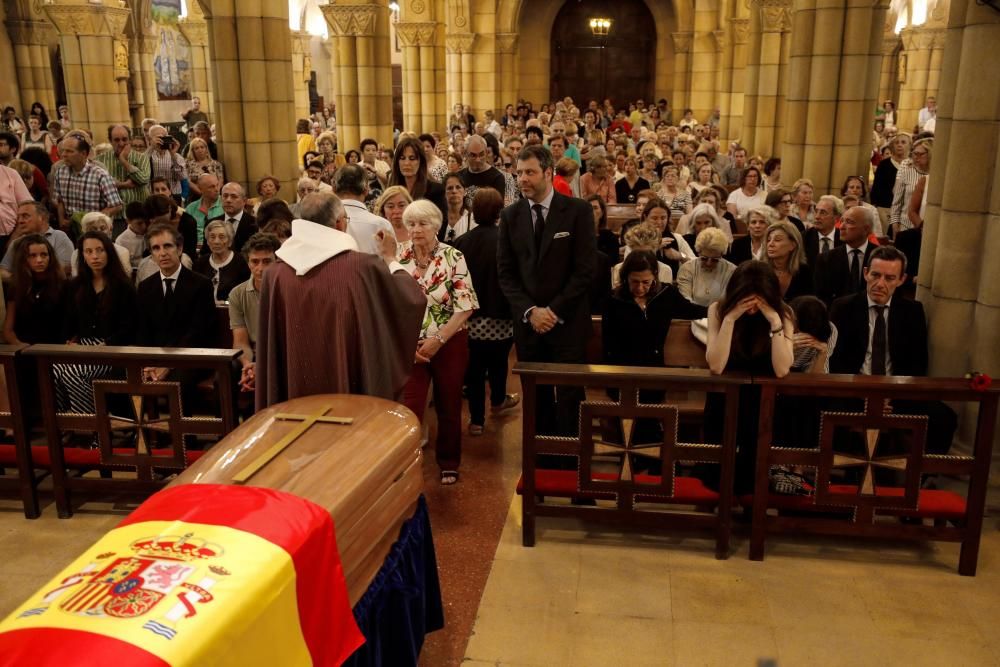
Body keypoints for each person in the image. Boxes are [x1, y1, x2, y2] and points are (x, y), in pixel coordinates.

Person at [255, 192, 426, 408]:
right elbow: (411, 300)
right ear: (339, 223)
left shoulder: (275, 274)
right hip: (352, 399)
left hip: (294, 394)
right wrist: (390, 258)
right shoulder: (362, 267)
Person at [497, 144, 596, 439]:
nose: (522, 179)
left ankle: (571, 461)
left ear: (549, 173)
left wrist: (552, 312)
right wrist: (531, 312)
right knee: (536, 398)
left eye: (530, 172)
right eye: (519, 173)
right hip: (529, 327)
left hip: (568, 323)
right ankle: (539, 463)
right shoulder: (511, 216)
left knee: (569, 397)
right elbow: (506, 273)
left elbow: (585, 270)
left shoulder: (578, 211)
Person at [829, 245, 956, 457]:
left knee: (945, 417)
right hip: (853, 393)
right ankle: (834, 468)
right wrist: (865, 398)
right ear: (865, 273)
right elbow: (835, 363)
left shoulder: (912, 312)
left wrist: (891, 398)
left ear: (901, 280)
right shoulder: (843, 307)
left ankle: (923, 477)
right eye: (876, 275)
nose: (880, 284)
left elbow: (918, 365)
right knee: (817, 408)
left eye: (889, 278)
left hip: (897, 395)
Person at [397, 200, 479, 484]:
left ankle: (448, 462)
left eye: (423, 223)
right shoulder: (399, 257)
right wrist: (408, 344)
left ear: (436, 226)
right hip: (410, 346)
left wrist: (438, 339)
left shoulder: (453, 257)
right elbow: (390, 306)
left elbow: (465, 306)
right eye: (411, 224)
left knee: (448, 402)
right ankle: (405, 465)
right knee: (410, 407)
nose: (416, 230)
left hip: (449, 341)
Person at [704, 261, 794, 492]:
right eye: (746, 296)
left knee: (755, 467)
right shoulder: (718, 310)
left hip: (764, 400)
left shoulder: (783, 314)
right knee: (719, 472)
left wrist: (775, 322)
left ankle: (753, 503)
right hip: (726, 397)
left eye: (760, 297)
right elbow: (716, 365)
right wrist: (730, 319)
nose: (753, 304)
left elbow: (782, 369)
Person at [453, 188, 518, 436]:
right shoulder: (507, 239)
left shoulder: (461, 242)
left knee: (475, 370)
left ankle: (476, 420)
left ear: (472, 211)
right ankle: (499, 401)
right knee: (499, 363)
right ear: (500, 211)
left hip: (470, 317)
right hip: (501, 316)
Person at [55, 231, 137, 413]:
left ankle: (94, 430)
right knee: (54, 370)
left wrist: (106, 343)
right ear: (82, 255)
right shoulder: (74, 285)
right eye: (89, 251)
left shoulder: (123, 287)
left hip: (112, 349)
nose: (94, 256)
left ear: (109, 252)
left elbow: (130, 326)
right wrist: (70, 341)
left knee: (73, 374)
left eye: (100, 250)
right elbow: (67, 321)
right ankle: (67, 424)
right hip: (82, 345)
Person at [228, 232, 281, 394]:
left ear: (277, 261)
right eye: (255, 261)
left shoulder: (286, 290)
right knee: (225, 374)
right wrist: (248, 366)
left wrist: (262, 366)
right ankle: (230, 420)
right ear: (248, 263)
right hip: (252, 354)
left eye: (267, 261)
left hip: (278, 355)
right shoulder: (237, 294)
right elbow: (240, 342)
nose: (261, 268)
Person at [51, 134, 123, 233]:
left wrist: (95, 220)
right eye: (63, 150)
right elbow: (60, 200)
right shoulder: (60, 172)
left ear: (84, 154)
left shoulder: (100, 175)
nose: (64, 155)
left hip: (95, 230)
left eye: (69, 151)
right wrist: (61, 219)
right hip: (71, 229)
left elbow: (117, 205)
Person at [2, 234, 65, 344]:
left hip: (55, 349)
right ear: (24, 259)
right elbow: (8, 331)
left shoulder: (62, 285)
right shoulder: (16, 286)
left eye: (44, 255)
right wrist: (22, 347)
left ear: (50, 257)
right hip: (24, 349)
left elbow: (70, 325)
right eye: (32, 255)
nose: (39, 260)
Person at [815, 203, 877, 305]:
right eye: (841, 221)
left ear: (866, 229)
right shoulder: (825, 259)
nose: (842, 227)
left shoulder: (880, 257)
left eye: (849, 222)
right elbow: (821, 299)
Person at [97, 124, 151, 235]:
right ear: (110, 141)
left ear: (130, 140)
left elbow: (144, 179)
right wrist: (124, 184)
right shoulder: (101, 160)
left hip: (139, 214)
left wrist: (124, 161)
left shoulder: (141, 157)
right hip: (116, 215)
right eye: (116, 140)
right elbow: (99, 184)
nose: (121, 143)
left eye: (124, 139)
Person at [1, 200, 74, 278]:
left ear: (41, 218)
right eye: (19, 217)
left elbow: (66, 269)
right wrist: (19, 281)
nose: (20, 221)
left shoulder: (59, 237)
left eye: (25, 216)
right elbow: (2, 270)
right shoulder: (16, 242)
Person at [333, 164, 394, 254]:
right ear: (366, 190)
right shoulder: (381, 225)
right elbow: (392, 262)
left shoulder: (322, 221)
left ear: (334, 188)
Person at [389, 136, 447, 219]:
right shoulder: (391, 189)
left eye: (412, 158)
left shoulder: (436, 190)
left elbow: (441, 222)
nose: (407, 163)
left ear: (421, 161)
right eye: (402, 158)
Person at [677, 228, 737, 307]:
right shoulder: (687, 269)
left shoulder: (732, 271)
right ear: (698, 252)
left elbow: (730, 301)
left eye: (715, 260)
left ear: (722, 255)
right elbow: (685, 301)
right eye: (704, 258)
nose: (709, 263)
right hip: (693, 316)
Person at [193, 219, 250, 301]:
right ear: (208, 242)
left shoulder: (242, 263)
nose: (216, 241)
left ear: (230, 241)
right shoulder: (199, 263)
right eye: (212, 237)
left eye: (221, 237)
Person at [68, 212, 132, 277]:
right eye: (93, 229)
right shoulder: (76, 254)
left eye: (103, 228)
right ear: (84, 232)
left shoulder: (122, 252)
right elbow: (76, 278)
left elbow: (125, 278)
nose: (99, 232)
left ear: (110, 230)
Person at [890, 137, 931, 236]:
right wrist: (895, 226)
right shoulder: (907, 173)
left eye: (921, 154)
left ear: (930, 154)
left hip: (927, 228)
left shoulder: (937, 176)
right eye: (914, 153)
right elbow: (896, 203)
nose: (916, 157)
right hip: (906, 227)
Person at [870, 133, 911, 233]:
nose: (899, 145)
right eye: (897, 142)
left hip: (906, 211)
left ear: (909, 145)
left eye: (903, 142)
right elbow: (876, 188)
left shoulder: (912, 165)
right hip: (885, 209)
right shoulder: (884, 164)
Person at [764, 220, 813, 300]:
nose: (770, 244)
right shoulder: (759, 271)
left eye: (777, 240)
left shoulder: (804, 271)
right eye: (768, 240)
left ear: (793, 245)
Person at [206, 182, 258, 254]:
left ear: (244, 201)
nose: (228, 200)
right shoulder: (211, 223)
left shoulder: (255, 224)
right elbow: (205, 252)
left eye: (234, 196)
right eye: (225, 196)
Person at [145, 125, 187, 203]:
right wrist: (152, 147)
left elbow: (182, 177)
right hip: (153, 196)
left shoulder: (176, 156)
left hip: (173, 196)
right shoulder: (147, 155)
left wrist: (173, 155)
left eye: (164, 137)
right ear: (150, 139)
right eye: (158, 137)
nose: (162, 140)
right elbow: (141, 167)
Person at [803, 195, 846, 268]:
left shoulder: (845, 239)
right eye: (816, 211)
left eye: (823, 213)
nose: (817, 216)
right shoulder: (804, 238)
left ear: (837, 217)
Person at [440, 173, 476, 242]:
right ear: (444, 193)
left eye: (458, 187)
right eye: (450, 188)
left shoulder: (473, 219)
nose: (454, 191)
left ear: (465, 191)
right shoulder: (438, 218)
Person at [116, 201, 148, 270]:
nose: (144, 226)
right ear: (128, 221)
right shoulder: (121, 241)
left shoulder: (150, 233)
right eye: (139, 223)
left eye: (146, 222)